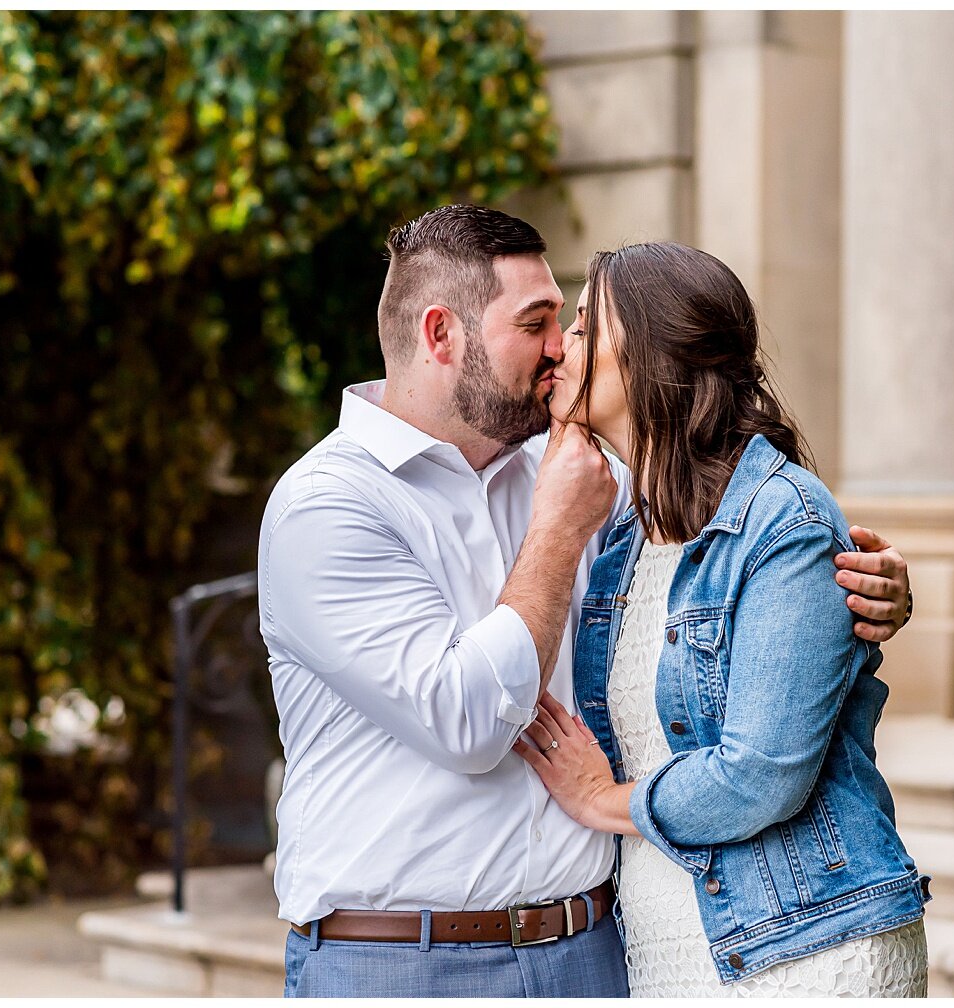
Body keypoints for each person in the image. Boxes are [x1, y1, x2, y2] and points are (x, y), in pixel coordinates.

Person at [258, 206, 913, 998]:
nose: (556, 347)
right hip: (404, 963)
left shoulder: (586, 473)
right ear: (441, 336)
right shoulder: (329, 506)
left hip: (598, 951)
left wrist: (863, 596)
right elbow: (466, 722)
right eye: (537, 323)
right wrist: (560, 531)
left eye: (569, 323)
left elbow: (728, 573)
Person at [515, 242, 929, 996]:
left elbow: (762, 775)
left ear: (646, 351)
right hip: (663, 945)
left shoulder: (784, 521)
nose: (559, 347)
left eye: (582, 325)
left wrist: (602, 800)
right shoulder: (619, 539)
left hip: (802, 948)